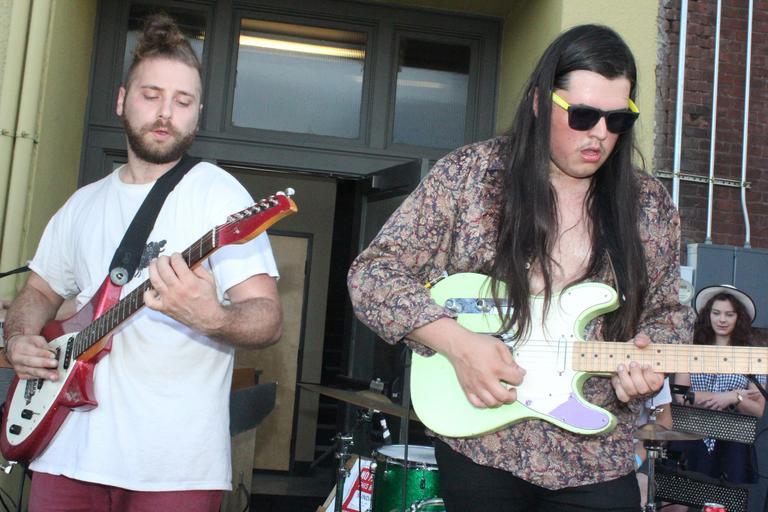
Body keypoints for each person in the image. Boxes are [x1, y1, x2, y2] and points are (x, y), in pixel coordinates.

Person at [348, 24, 693, 511]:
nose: (600, 133)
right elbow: (372, 275)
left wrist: (649, 361)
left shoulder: (648, 204)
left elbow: (669, 312)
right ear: (538, 102)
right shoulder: (470, 177)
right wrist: (459, 345)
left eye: (617, 119)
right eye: (583, 115)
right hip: (482, 445)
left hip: (596, 457)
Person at [2, 14, 282, 512]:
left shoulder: (218, 197)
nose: (165, 113)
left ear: (197, 115)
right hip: (64, 451)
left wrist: (212, 317)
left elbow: (267, 317)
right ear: (121, 100)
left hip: (175, 467)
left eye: (183, 102)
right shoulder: (82, 204)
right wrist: (19, 338)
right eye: (151, 95)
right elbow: (39, 292)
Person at [670, 284, 766, 485]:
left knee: (724, 498)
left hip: (732, 441)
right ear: (708, 315)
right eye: (716, 313)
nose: (722, 320)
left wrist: (733, 397)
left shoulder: (752, 355)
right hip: (690, 434)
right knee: (679, 495)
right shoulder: (691, 350)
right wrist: (728, 397)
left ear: (739, 318)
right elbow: (681, 396)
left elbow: (758, 409)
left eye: (729, 314)